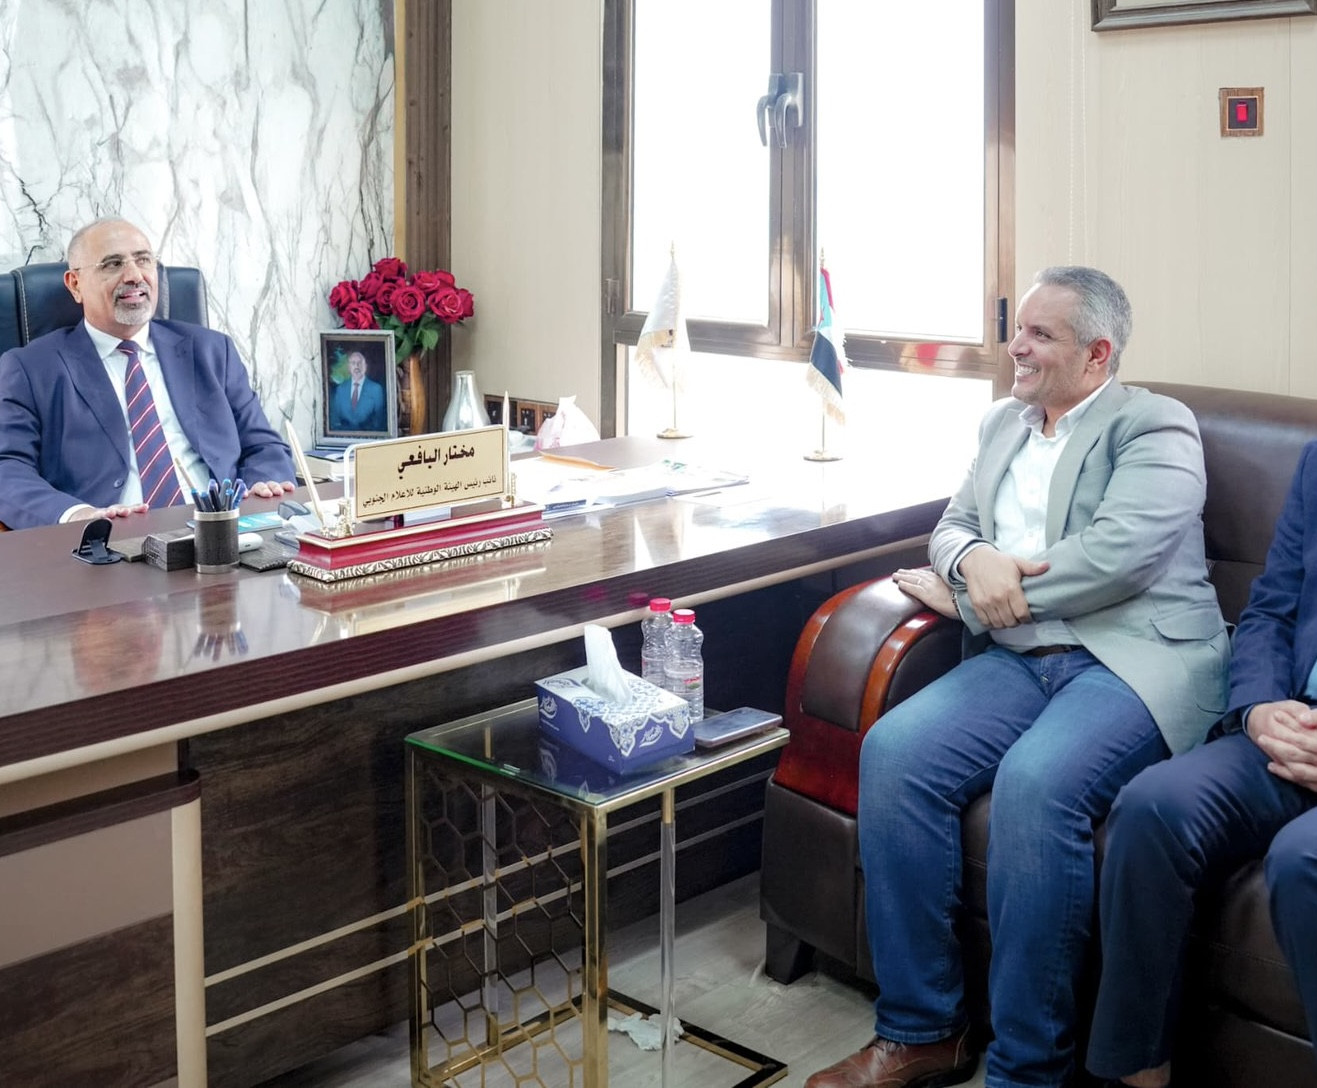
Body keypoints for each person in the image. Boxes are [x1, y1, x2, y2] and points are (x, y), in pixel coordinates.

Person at [804, 266, 1230, 1088]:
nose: (1016, 347)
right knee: (894, 752)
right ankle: (923, 1030)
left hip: (1132, 658)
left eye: (1039, 334)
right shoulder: (1001, 422)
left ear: (1096, 353)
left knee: (1036, 786)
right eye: (1016, 329)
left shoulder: (1153, 425)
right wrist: (972, 558)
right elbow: (951, 527)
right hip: (1021, 655)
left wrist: (974, 596)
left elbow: (1118, 555)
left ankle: (1027, 1069)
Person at [1085, 444, 1317, 1088]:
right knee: (1153, 807)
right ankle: (1139, 1074)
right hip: (1292, 726)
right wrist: (1258, 708)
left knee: (1302, 859)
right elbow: (1272, 607)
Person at [0, 217, 295, 529]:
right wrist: (77, 515)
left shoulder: (211, 350)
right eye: (113, 264)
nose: (134, 276)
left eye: (143, 260)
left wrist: (262, 486)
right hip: (112, 539)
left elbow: (264, 446)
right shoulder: (31, 368)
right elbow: (7, 467)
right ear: (75, 284)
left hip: (222, 529)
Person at [328, 350, 387, 432]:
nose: (357, 366)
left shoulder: (376, 389)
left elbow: (379, 420)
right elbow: (335, 419)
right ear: (349, 367)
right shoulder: (341, 389)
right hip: (343, 436)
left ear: (365, 367)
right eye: (353, 363)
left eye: (360, 363)